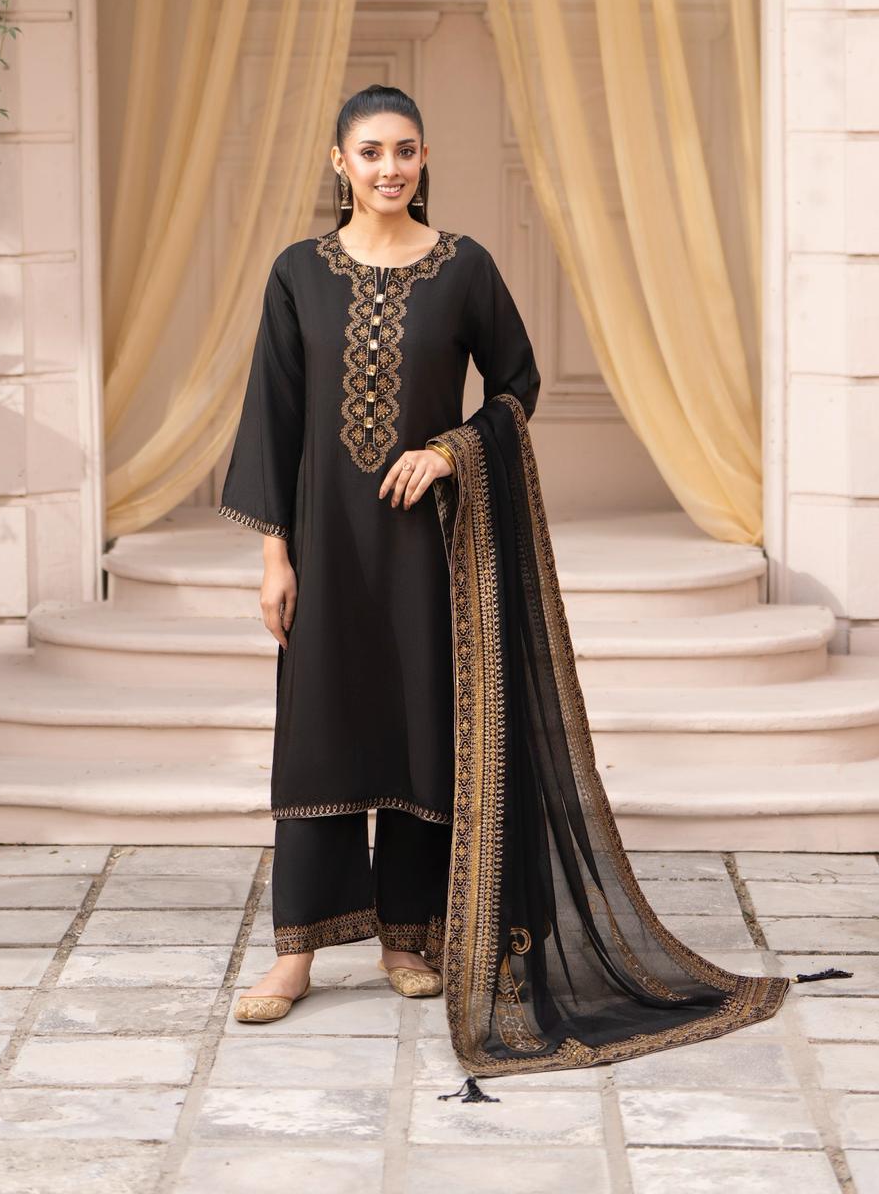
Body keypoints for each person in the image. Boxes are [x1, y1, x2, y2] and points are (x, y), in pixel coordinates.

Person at [220, 83, 793, 1076]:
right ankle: (296, 953)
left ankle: (407, 940)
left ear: (424, 157)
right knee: (317, 734)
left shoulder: (464, 268)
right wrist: (275, 557)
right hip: (327, 544)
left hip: (427, 546)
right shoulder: (297, 275)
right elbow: (273, 418)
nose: (389, 168)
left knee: (418, 728)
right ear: (338, 162)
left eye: (405, 150)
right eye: (370, 152)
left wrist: (448, 450)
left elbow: (517, 385)